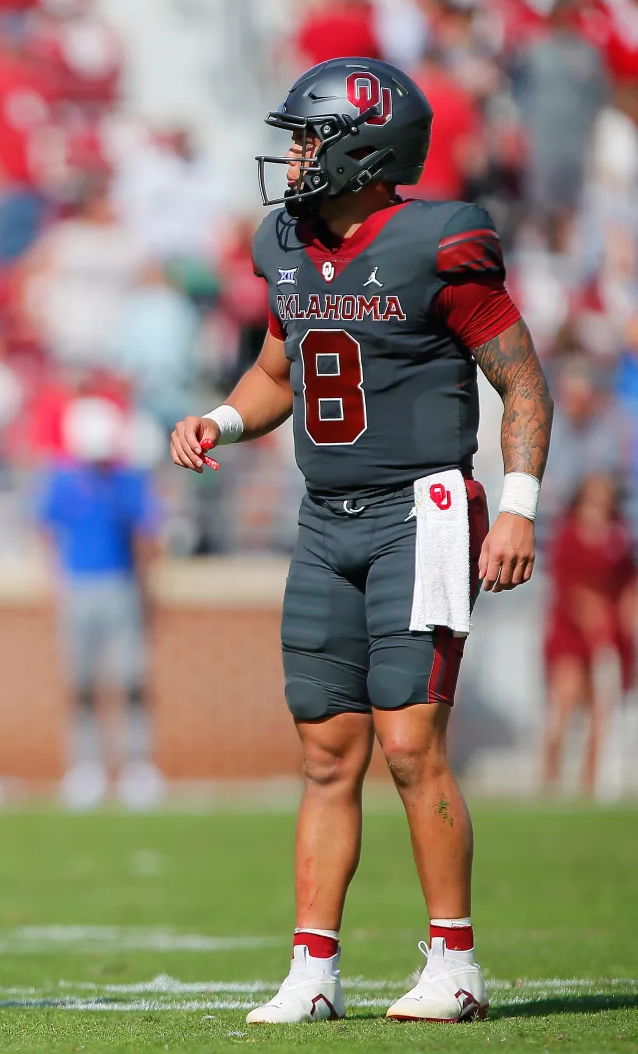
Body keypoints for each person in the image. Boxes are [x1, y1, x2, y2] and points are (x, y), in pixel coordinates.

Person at [172, 57, 552, 1025]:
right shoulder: (285, 243)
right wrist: (218, 419)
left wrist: (516, 505)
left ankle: (454, 961)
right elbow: (276, 369)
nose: (294, 154)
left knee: (408, 743)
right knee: (324, 753)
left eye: (308, 135)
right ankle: (312, 970)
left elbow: (522, 382)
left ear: (362, 146)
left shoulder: (439, 242)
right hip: (322, 517)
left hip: (420, 513)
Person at [39, 396, 162, 811]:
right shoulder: (61, 480)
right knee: (81, 682)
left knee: (130, 680)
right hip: (79, 587)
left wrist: (147, 592)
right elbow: (48, 534)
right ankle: (85, 768)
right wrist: (54, 585)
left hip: (119, 586)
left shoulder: (127, 480)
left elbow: (145, 537)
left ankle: (135, 766)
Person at [542, 472, 635, 794]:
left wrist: (626, 607)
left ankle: (589, 784)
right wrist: (585, 608)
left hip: (608, 633)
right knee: (564, 702)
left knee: (602, 709)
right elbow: (563, 583)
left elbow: (628, 580)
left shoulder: (619, 537)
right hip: (570, 629)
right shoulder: (567, 534)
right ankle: (549, 779)